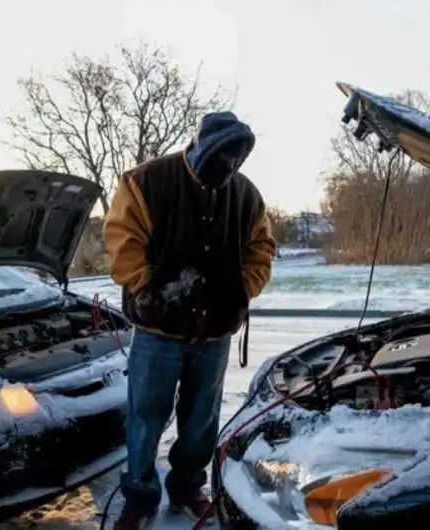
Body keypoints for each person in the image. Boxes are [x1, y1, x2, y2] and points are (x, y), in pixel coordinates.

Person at [104, 111, 277, 529]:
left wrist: (239, 289)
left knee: (202, 418)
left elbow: (261, 249)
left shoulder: (247, 196)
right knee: (146, 416)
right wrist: (151, 291)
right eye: (220, 159)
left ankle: (187, 487)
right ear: (200, 146)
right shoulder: (144, 182)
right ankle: (141, 496)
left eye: (234, 162)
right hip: (157, 331)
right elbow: (122, 242)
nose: (227, 169)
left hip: (214, 332)